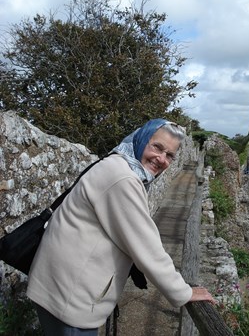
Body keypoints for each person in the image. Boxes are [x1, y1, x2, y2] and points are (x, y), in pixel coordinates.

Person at [27, 118, 216, 335]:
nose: (161, 159)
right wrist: (182, 292)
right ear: (142, 139)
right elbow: (147, 247)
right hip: (68, 300)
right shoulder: (123, 178)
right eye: (157, 147)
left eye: (170, 155)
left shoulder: (119, 164)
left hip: (59, 288)